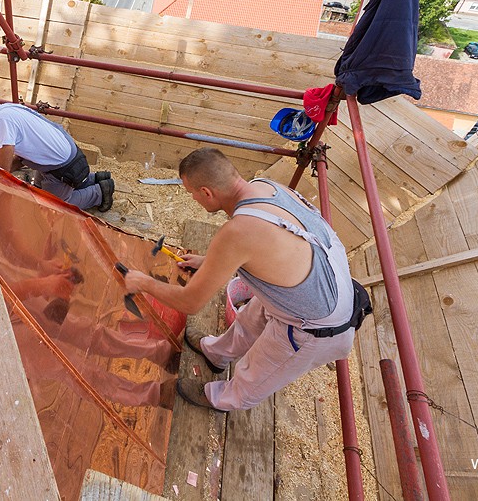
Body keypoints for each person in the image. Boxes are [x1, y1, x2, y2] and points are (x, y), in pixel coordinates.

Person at [123, 147, 366, 412]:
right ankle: (217, 354)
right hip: (324, 285)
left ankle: (221, 399)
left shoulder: (238, 231)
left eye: (191, 193)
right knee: (252, 317)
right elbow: (269, 250)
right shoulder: (264, 187)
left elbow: (190, 302)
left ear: (206, 192)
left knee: (259, 370)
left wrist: (143, 282)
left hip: (317, 326)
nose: (192, 198)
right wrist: (209, 262)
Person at [0, 98, 115, 212]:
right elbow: (17, 159)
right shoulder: (7, 108)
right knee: (36, 190)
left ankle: (100, 192)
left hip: (61, 167)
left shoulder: (1, 121)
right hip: (63, 156)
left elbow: (2, 165)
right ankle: (94, 179)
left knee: (49, 206)